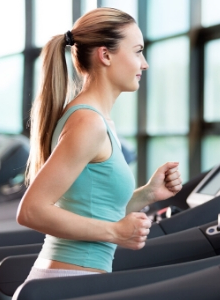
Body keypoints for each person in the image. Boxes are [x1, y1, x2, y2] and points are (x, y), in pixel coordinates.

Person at [17, 7, 182, 280]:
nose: (145, 63)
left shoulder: (94, 119)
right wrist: (116, 232)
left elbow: (91, 207)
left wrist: (147, 194)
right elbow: (31, 211)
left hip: (72, 276)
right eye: (137, 51)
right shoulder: (88, 123)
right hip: (68, 278)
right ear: (105, 55)